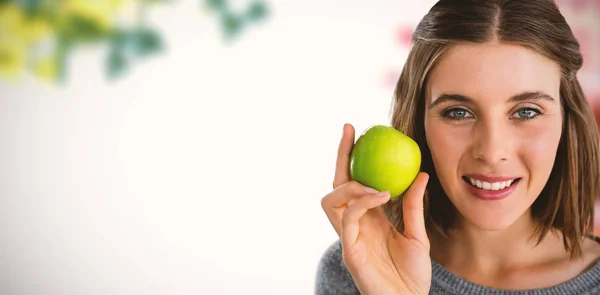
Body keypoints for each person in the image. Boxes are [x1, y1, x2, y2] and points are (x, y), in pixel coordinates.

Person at [315, 0, 600, 294]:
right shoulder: (355, 271)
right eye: (458, 112)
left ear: (566, 119)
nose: (491, 152)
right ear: (419, 122)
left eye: (526, 112)